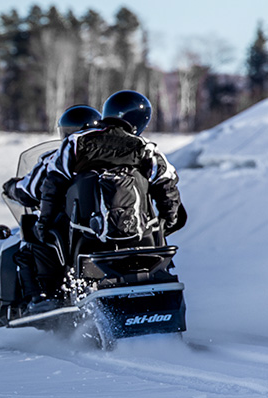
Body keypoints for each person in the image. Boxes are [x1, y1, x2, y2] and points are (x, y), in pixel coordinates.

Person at [33, 90, 186, 301]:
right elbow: (166, 183)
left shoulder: (76, 142)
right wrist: (168, 220)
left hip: (87, 236)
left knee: (41, 238)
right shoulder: (145, 148)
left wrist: (44, 223)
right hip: (140, 237)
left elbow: (53, 182)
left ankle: (49, 296)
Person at [2, 105, 102, 315]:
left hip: (71, 232)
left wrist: (11, 188)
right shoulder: (115, 158)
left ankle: (41, 296)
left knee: (30, 234)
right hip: (108, 231)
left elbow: (29, 190)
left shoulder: (57, 157)